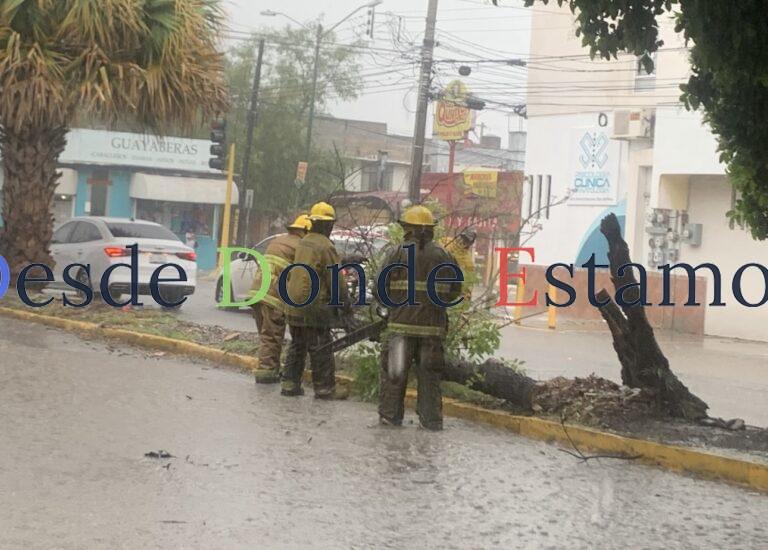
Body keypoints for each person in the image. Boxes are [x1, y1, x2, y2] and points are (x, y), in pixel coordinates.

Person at [375, 205, 462, 430]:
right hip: (432, 331)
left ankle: (390, 417)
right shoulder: (444, 256)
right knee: (430, 377)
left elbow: (378, 288)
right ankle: (431, 420)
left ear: (409, 229)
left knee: (394, 375)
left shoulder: (395, 253)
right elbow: (455, 290)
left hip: (400, 330)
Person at [281, 202, 350, 400]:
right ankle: (325, 389)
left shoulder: (304, 242)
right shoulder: (326, 245)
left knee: (298, 345)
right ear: (328, 225)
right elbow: (335, 280)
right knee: (321, 347)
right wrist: (346, 306)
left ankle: (289, 383)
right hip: (313, 306)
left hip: (293, 305)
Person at [250, 214, 312, 384]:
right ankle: (266, 372)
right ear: (305, 231)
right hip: (273, 295)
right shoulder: (300, 246)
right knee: (272, 335)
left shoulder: (279, 241)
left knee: (266, 334)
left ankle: (270, 368)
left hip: (257, 292)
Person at [441, 228, 477, 302]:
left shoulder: (468, 262)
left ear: (470, 244)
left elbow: (468, 283)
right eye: (462, 238)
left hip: (449, 289)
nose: (463, 241)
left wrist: (465, 300)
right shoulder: (444, 241)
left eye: (466, 241)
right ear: (459, 236)